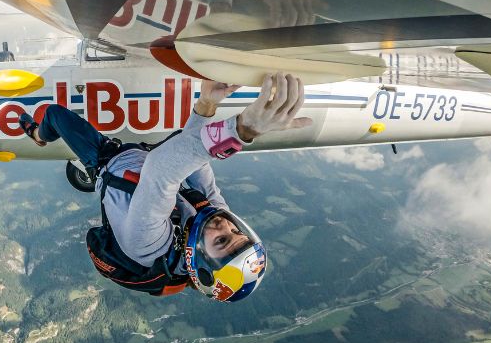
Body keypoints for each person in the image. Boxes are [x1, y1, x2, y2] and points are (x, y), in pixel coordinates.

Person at [18, 72, 311, 301]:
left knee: (55, 115)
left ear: (201, 259)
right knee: (183, 149)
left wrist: (242, 129)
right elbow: (195, 162)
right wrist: (207, 104)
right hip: (139, 160)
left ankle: (38, 135)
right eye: (237, 233)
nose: (226, 226)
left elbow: (161, 169)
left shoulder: (148, 247)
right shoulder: (212, 218)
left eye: (222, 241)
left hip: (106, 161)